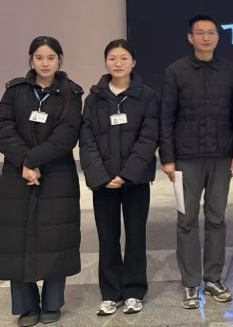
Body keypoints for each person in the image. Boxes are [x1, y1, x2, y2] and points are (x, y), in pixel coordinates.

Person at [160, 15, 233, 309]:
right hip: (186, 159)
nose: (206, 38)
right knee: (186, 220)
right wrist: (167, 158)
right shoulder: (176, 71)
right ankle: (190, 282)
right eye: (200, 33)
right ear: (190, 38)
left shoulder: (230, 71)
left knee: (217, 218)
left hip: (221, 156)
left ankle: (213, 278)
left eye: (211, 33)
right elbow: (166, 116)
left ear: (218, 37)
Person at [0, 36, 83, 327]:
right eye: (39, 58)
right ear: (31, 60)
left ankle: (52, 304)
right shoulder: (15, 91)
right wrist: (24, 162)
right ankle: (26, 306)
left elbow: (66, 136)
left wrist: (32, 161)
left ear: (60, 60)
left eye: (50, 57)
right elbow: (4, 128)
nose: (45, 63)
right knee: (15, 237)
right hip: (17, 174)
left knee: (55, 237)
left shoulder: (72, 93)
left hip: (57, 175)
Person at [79, 39, 159, 316]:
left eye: (124, 58)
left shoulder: (147, 96)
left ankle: (134, 291)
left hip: (135, 180)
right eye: (113, 58)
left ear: (133, 62)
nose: (118, 63)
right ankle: (110, 293)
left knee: (136, 236)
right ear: (106, 62)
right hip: (103, 183)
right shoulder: (94, 98)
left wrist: (127, 174)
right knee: (107, 236)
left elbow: (149, 138)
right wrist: (102, 176)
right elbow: (86, 139)